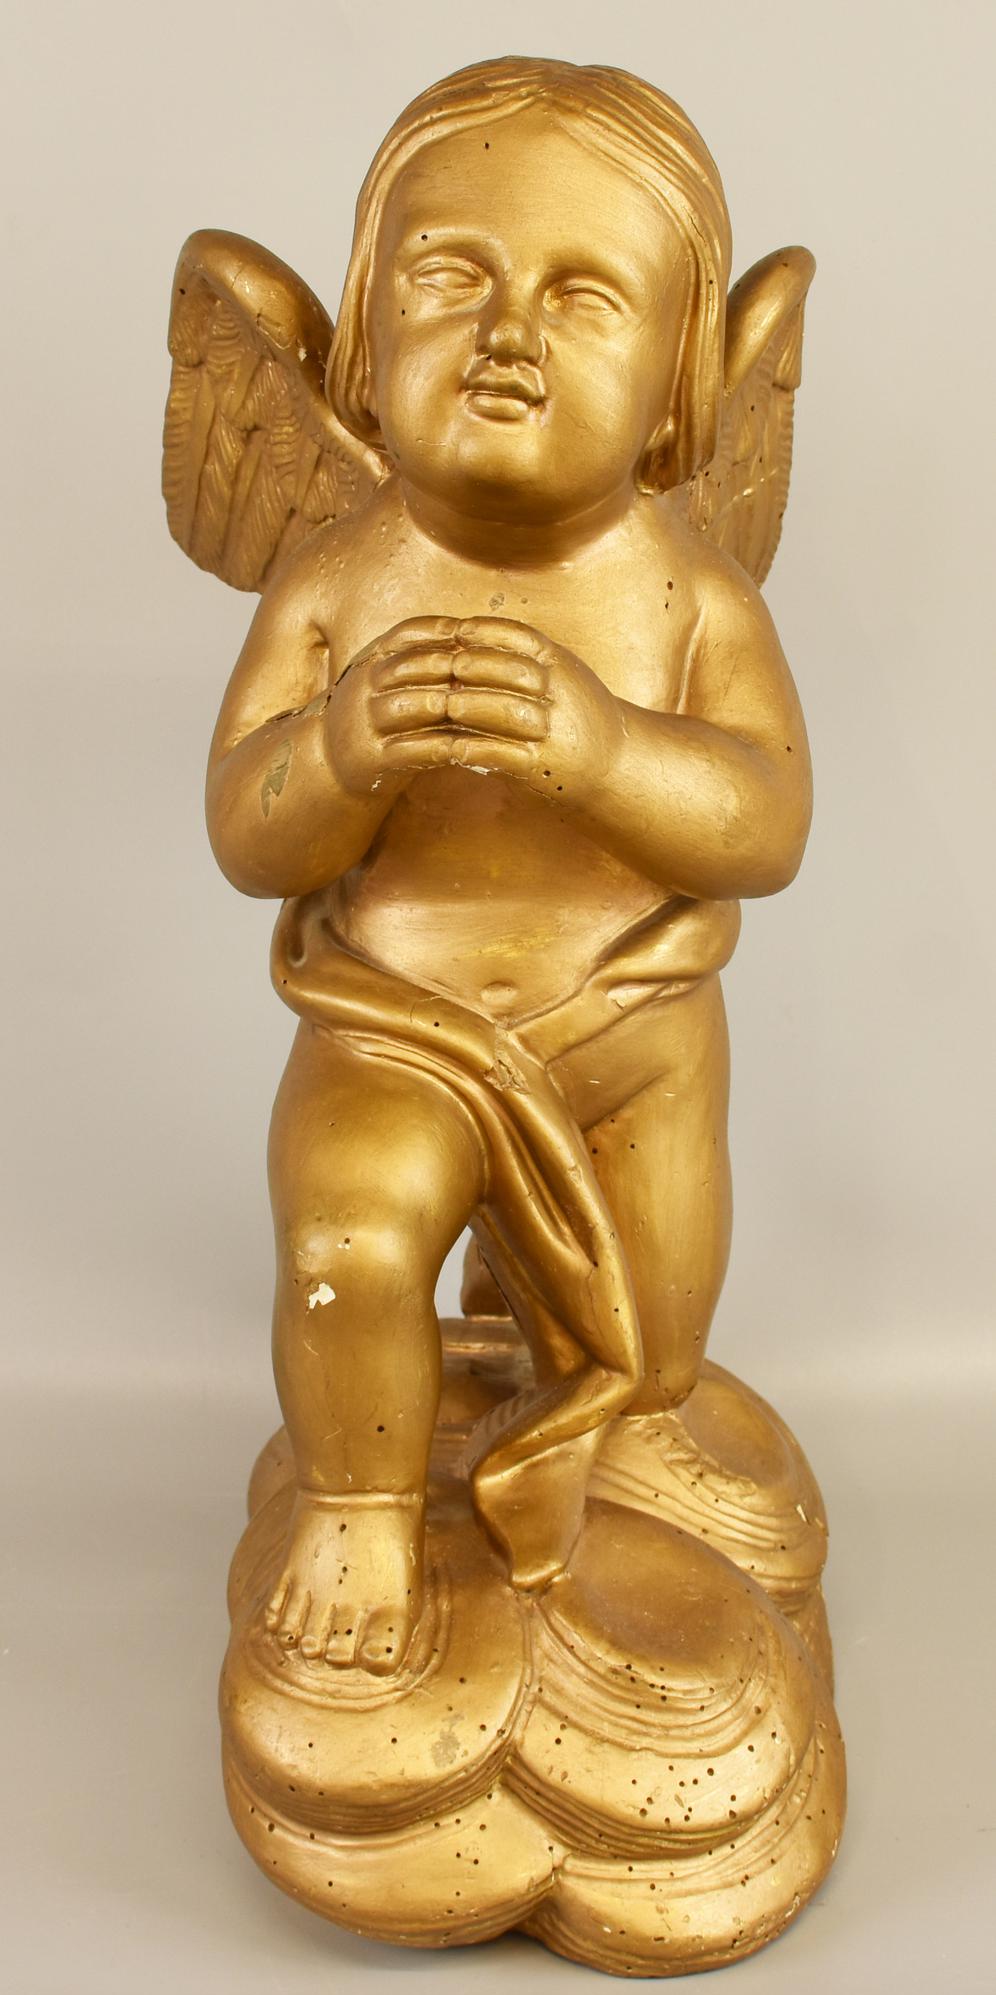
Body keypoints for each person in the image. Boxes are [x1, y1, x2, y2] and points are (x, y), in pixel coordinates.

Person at [204, 59, 812, 1673]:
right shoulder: (337, 584)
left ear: (680, 392)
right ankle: (355, 1505)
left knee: (658, 1332)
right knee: (345, 1251)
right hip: (391, 1027)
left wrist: (607, 751)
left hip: (631, 1032)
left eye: (585, 295)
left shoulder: (690, 598)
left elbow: (768, 820)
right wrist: (339, 750)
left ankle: (618, 1412)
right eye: (449, 273)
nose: (508, 335)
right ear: (359, 347)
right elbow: (245, 828)